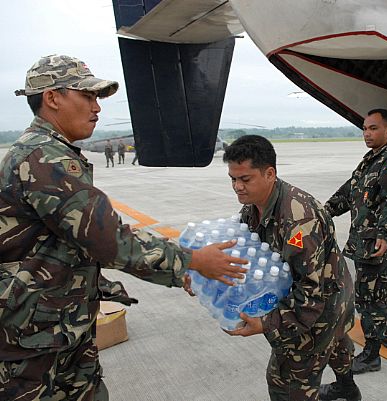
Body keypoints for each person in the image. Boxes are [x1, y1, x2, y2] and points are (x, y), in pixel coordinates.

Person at [0, 54, 247, 401]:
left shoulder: (46, 152)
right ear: (52, 98)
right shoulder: (44, 157)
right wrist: (192, 261)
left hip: (56, 326)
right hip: (34, 340)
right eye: (86, 96)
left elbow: (62, 244)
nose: (96, 107)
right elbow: (108, 240)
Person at [222, 135, 361, 401]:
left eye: (245, 179)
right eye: (233, 179)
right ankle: (347, 388)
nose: (237, 187)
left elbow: (310, 295)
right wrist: (206, 272)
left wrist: (266, 323)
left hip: (322, 306)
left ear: (270, 173)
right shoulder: (253, 208)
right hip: (327, 292)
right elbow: (247, 249)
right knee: (338, 347)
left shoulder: (298, 219)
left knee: (284, 382)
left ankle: (342, 386)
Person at [325, 109, 387, 374]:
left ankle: (372, 355)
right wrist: (323, 212)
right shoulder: (369, 161)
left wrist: (384, 234)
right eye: (364, 129)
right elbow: (349, 192)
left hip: (373, 243)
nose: (367, 134)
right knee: (382, 287)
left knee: (368, 297)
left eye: (373, 128)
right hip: (363, 240)